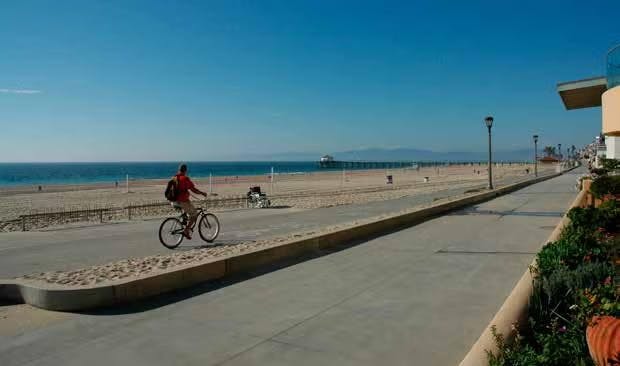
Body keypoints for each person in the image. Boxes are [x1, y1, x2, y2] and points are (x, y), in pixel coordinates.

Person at [173, 164, 207, 239]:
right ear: (185, 170)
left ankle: (185, 222)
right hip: (182, 201)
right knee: (194, 215)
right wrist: (202, 193)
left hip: (173, 201)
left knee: (187, 209)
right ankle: (186, 230)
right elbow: (193, 190)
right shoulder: (185, 178)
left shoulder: (174, 177)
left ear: (179, 170)